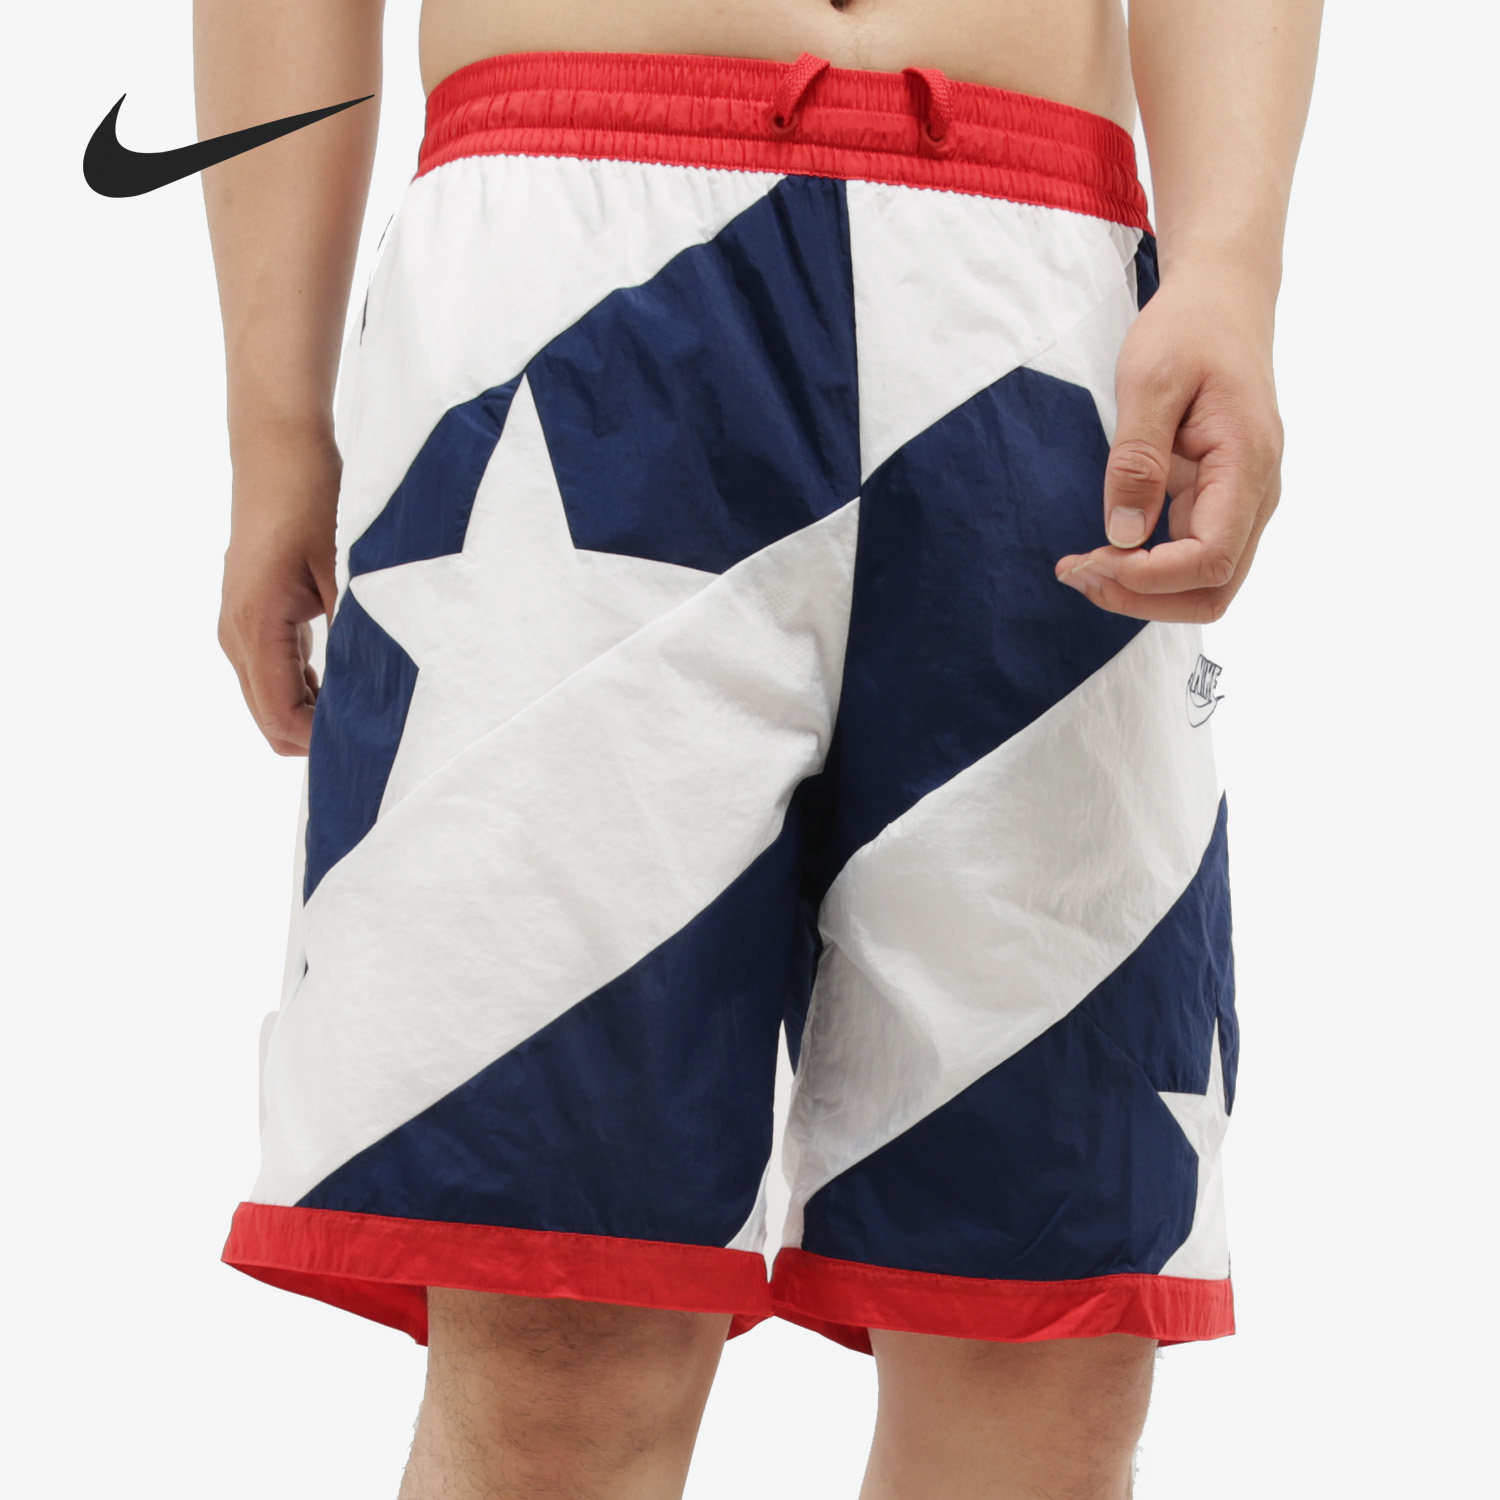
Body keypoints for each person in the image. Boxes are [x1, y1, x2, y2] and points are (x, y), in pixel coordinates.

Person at [197, 0, 1320, 1494]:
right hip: (568, 266)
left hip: (1044, 307)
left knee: (1045, 1334)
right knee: (559, 1328)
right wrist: (275, 425)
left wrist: (1229, 267)